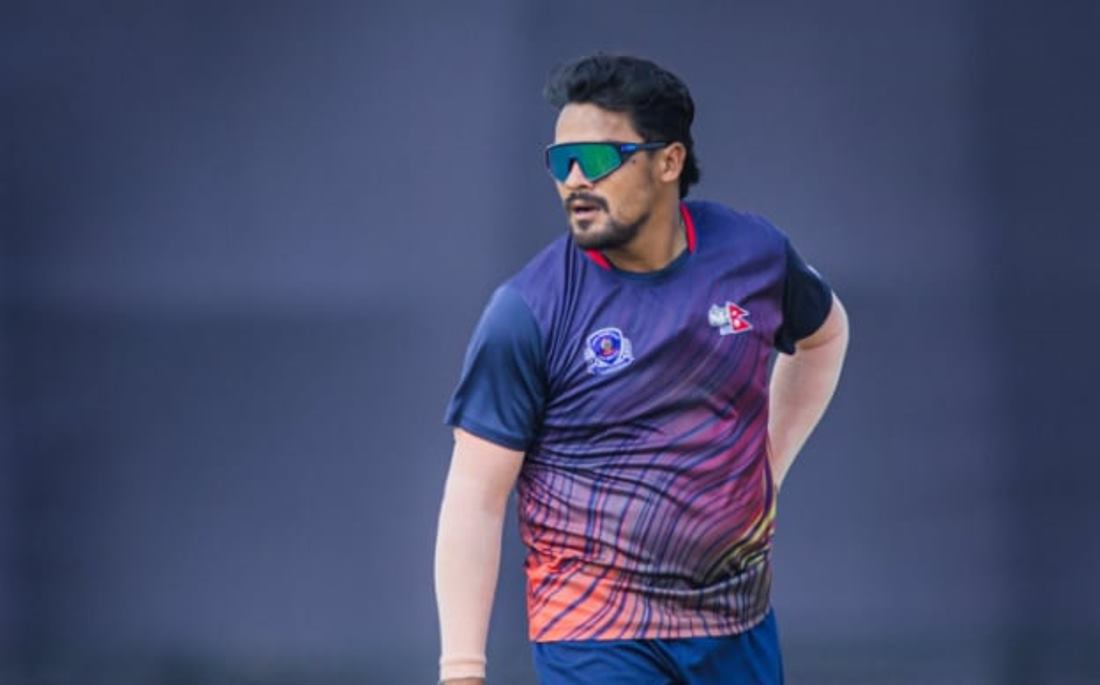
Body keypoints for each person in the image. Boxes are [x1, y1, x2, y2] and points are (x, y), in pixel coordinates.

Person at [434, 54, 849, 685]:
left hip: (736, 620)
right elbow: (474, 498)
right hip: (595, 631)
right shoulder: (527, 311)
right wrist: (462, 670)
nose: (574, 180)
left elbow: (824, 336)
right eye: (560, 162)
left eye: (597, 159)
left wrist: (768, 465)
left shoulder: (755, 255)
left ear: (669, 161)